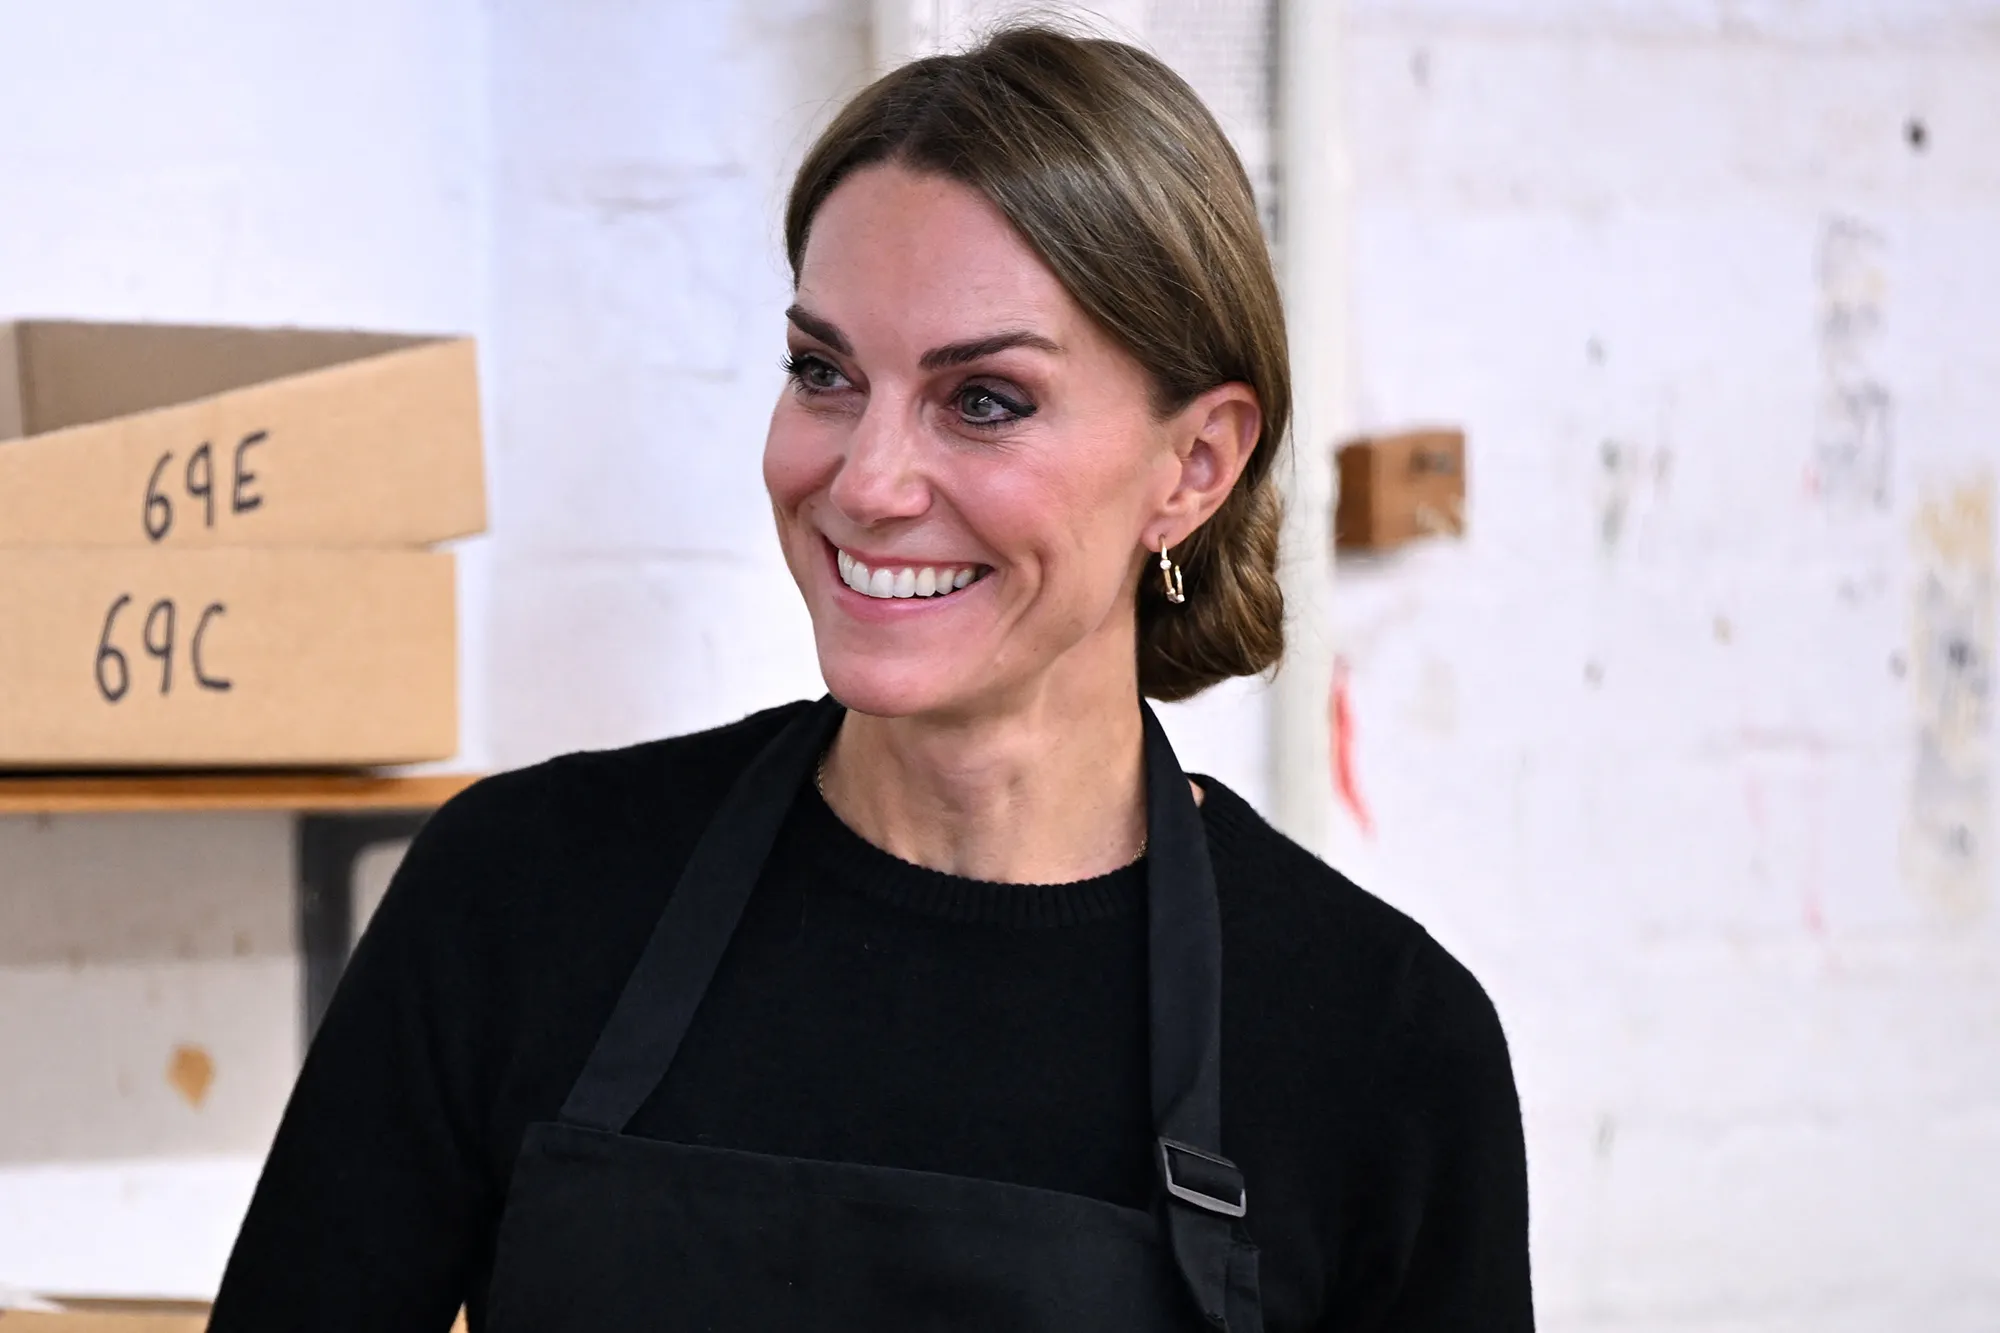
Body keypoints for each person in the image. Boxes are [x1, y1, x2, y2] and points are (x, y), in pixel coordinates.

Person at [208, 24, 1533, 1333]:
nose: (865, 480)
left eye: (985, 400)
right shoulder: (519, 897)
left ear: (1194, 466)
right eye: (824, 374)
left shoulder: (1380, 1047)